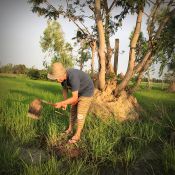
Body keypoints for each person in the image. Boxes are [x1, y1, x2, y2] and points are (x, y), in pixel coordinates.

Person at [47, 62, 94, 144]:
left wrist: (61, 103)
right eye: (55, 78)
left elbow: (74, 97)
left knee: (80, 113)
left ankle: (78, 135)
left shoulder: (73, 76)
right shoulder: (62, 79)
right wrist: (65, 102)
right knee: (73, 110)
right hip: (77, 92)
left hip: (86, 91)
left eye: (57, 77)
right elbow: (65, 89)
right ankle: (70, 129)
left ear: (63, 73)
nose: (57, 80)